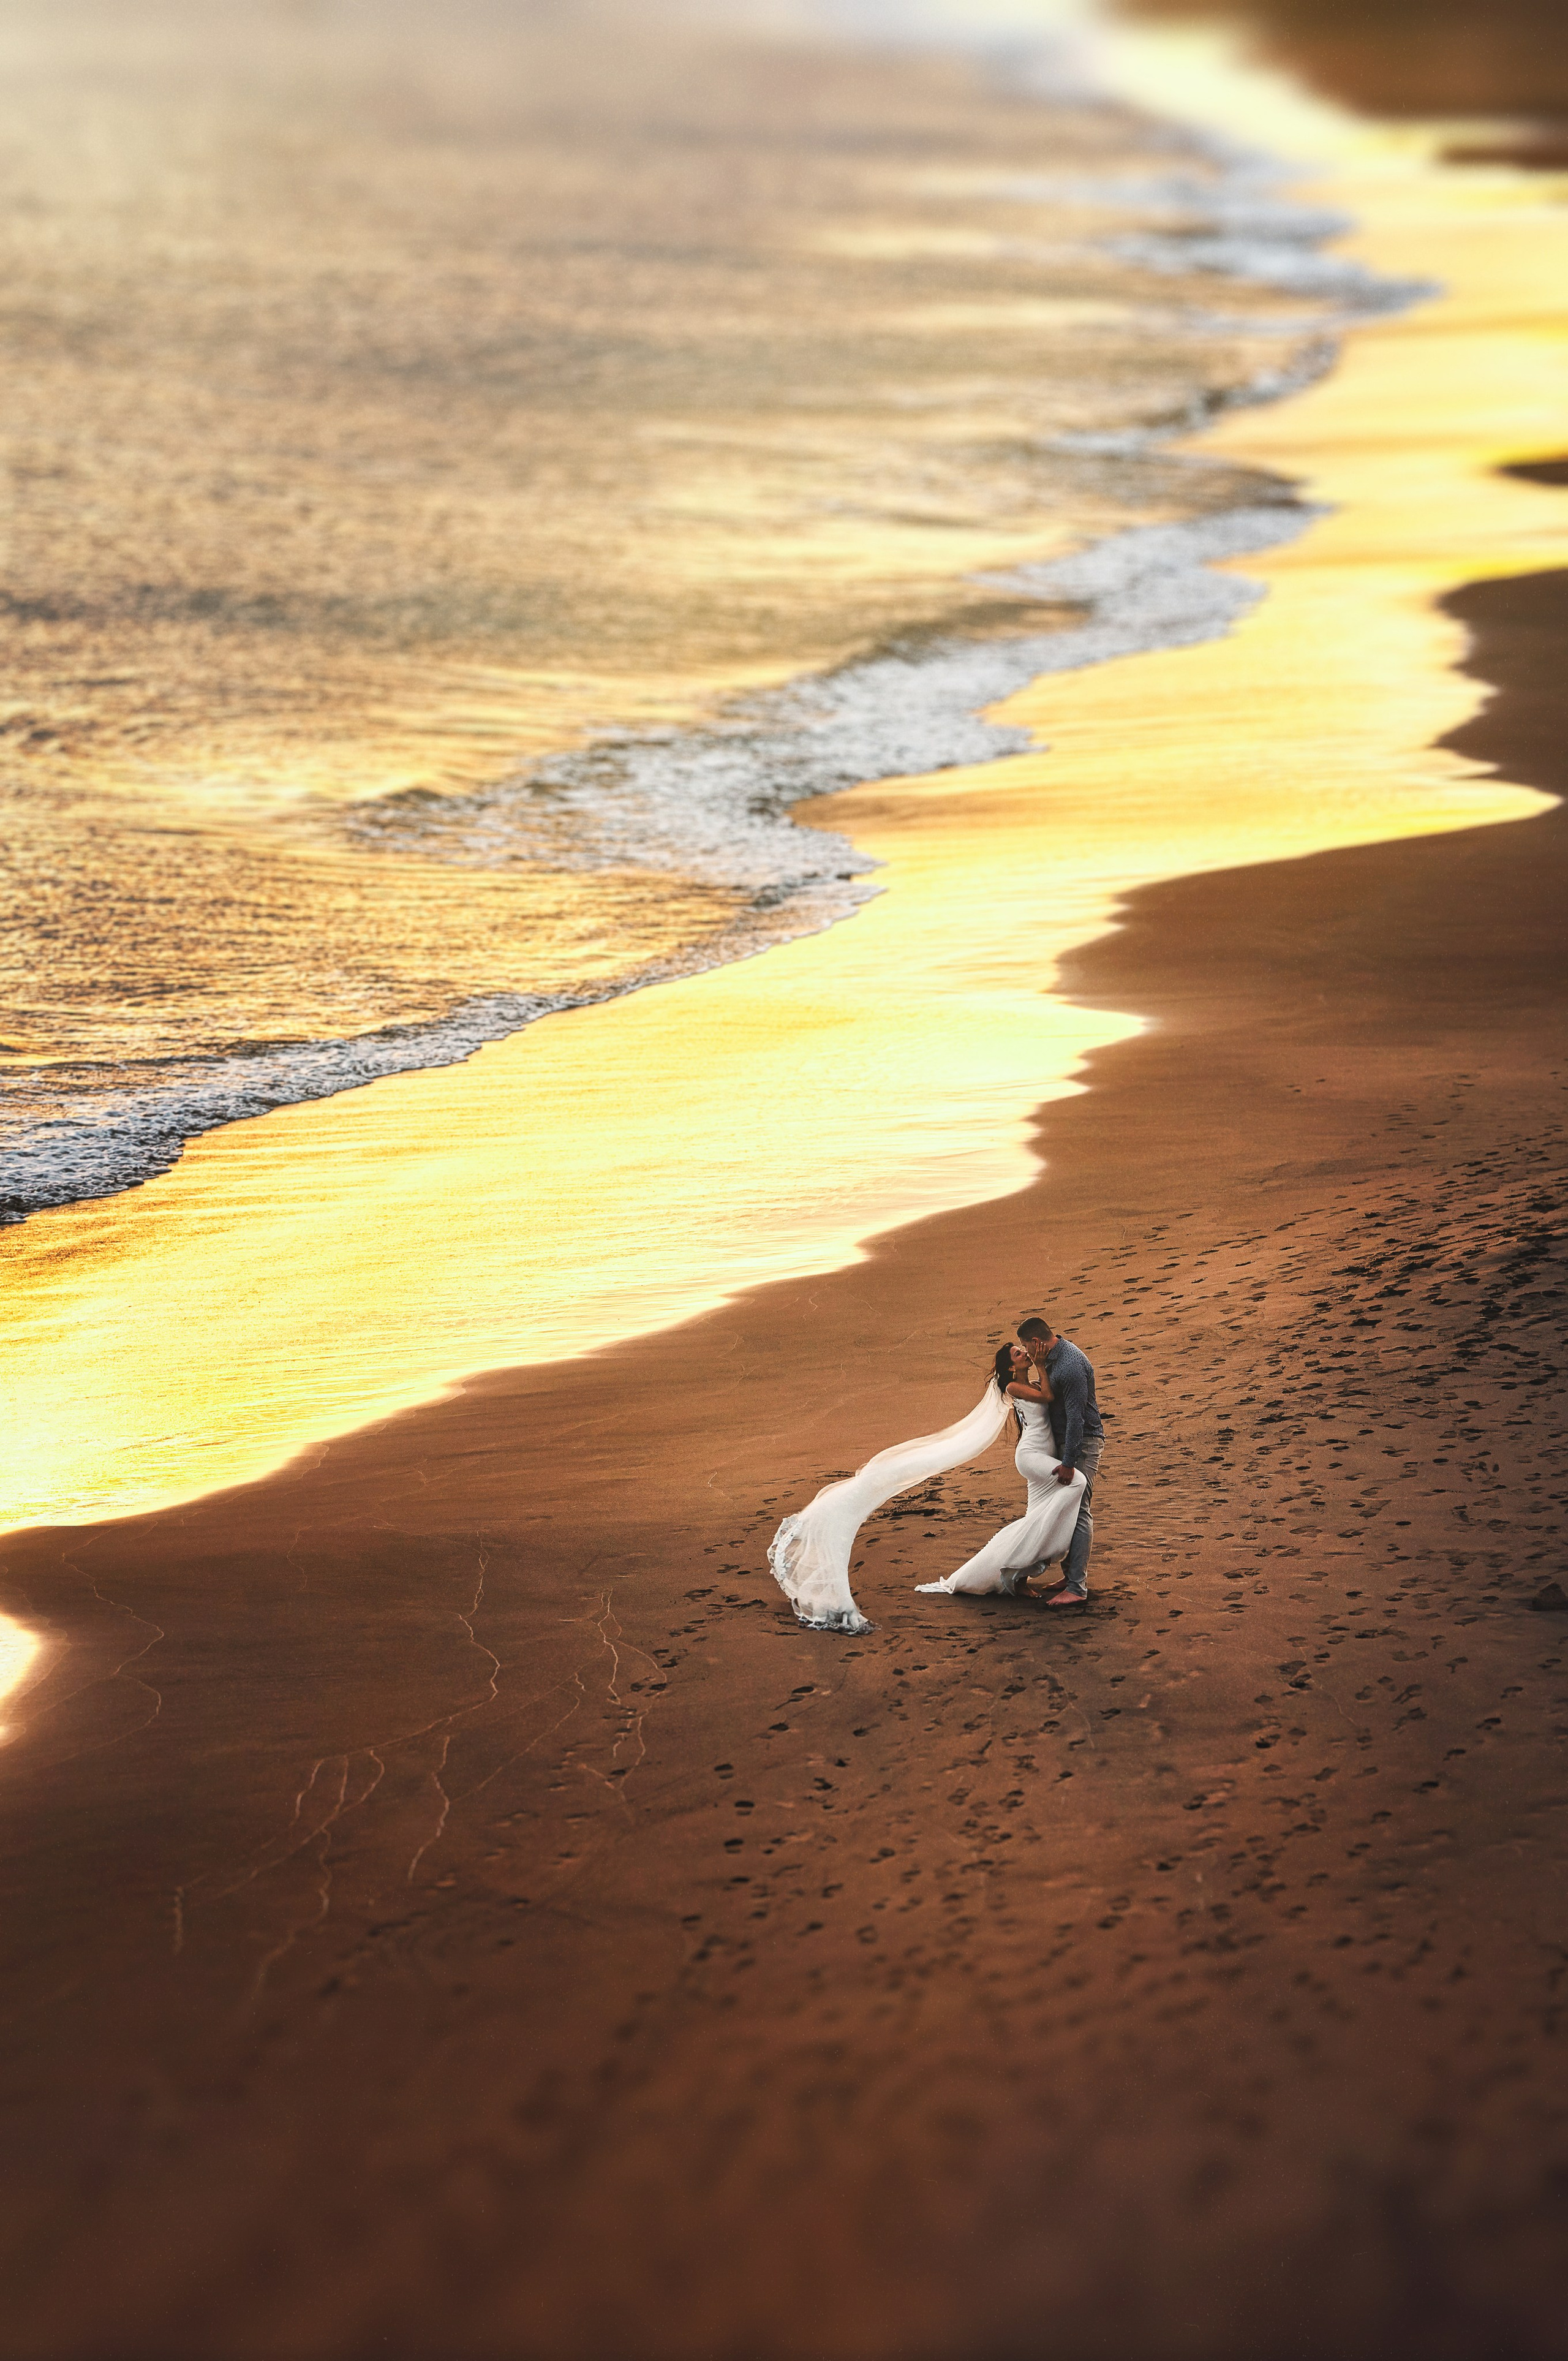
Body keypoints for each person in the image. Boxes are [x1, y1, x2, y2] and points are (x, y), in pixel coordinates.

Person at [767, 1342, 1086, 1632]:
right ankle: (1026, 1558)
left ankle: (1014, 1576)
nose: (1024, 1352)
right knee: (1074, 1488)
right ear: (1009, 1367)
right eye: (1018, 1353)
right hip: (1031, 1456)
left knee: (1037, 1514)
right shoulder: (1017, 1385)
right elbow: (1047, 1397)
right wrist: (1043, 1364)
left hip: (1039, 1453)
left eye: (1022, 1350)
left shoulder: (1024, 1383)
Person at [1015, 1313, 1104, 1607]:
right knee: (1070, 1507)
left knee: (1080, 1509)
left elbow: (1078, 1418)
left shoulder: (1070, 1365)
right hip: (1064, 1443)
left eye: (1026, 1347)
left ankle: (1078, 1587)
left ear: (1037, 1342)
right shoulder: (1050, 1361)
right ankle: (1070, 1576)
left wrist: (1068, 1461)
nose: (1026, 1352)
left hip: (1083, 1443)